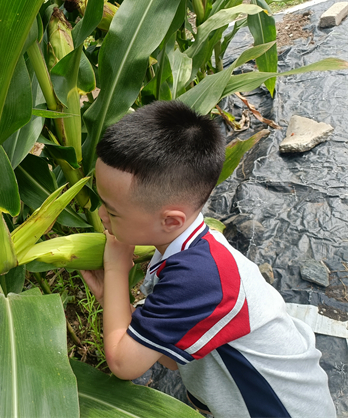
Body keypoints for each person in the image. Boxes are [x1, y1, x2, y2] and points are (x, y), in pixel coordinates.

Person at [80, 101, 335, 417]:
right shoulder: (190, 252)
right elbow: (170, 354)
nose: (101, 215)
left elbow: (124, 363)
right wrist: (111, 297)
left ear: (171, 221)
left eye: (112, 210)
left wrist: (116, 267)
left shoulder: (198, 277)